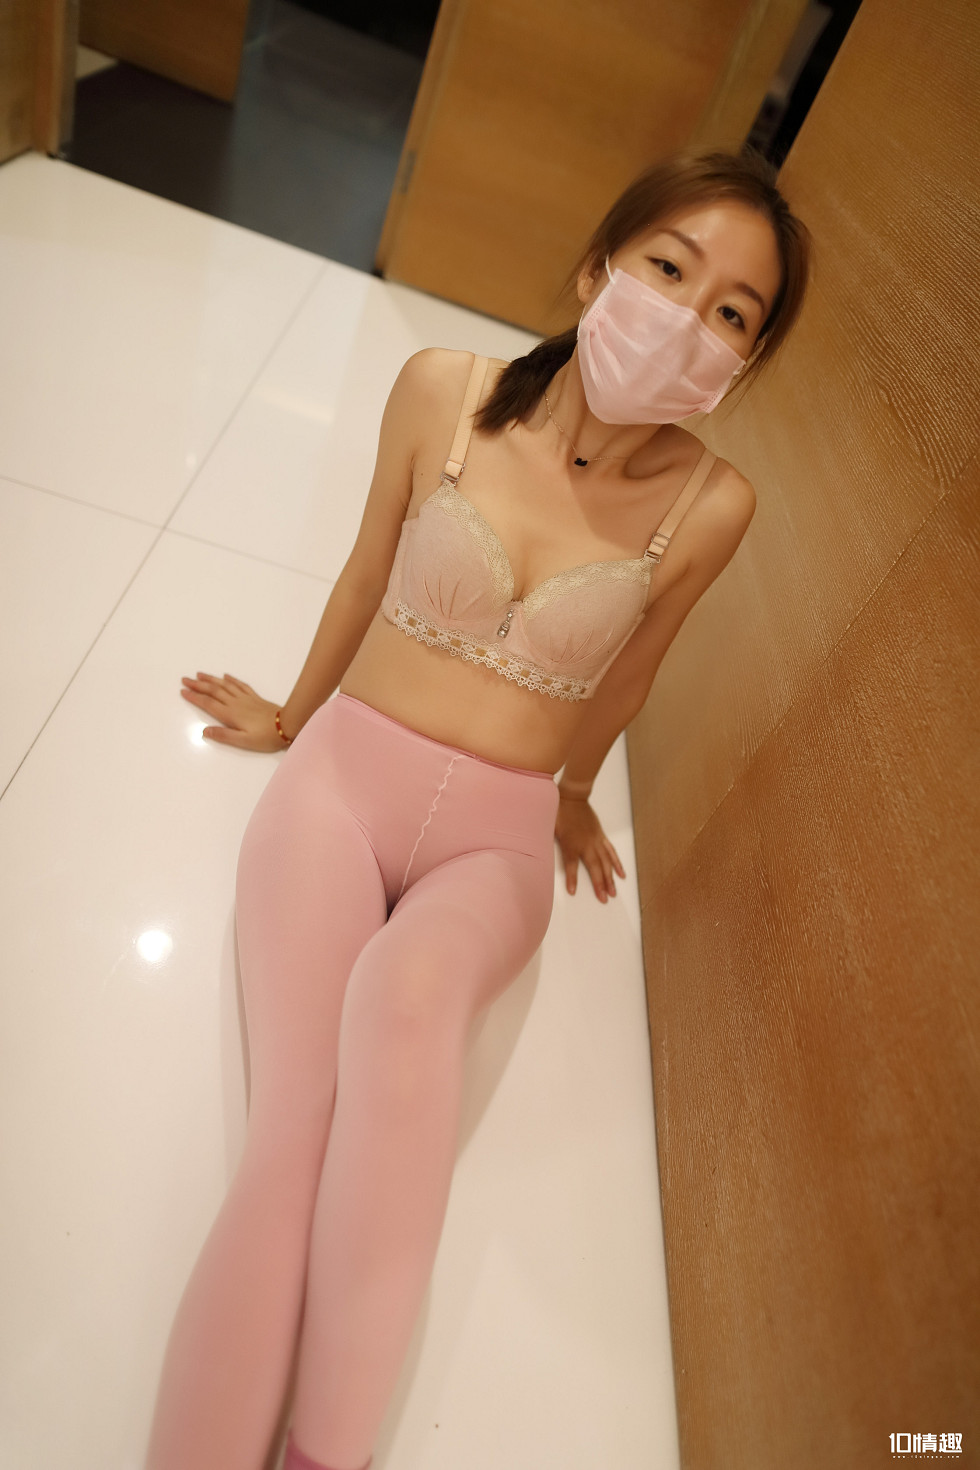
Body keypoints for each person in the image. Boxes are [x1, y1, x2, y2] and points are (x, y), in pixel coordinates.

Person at [146, 146, 812, 1470]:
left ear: (745, 360)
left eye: (732, 311)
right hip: (340, 789)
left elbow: (629, 674)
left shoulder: (712, 506)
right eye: (670, 267)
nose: (687, 318)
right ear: (599, 267)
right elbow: (362, 571)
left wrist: (572, 797)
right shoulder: (440, 391)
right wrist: (290, 713)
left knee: (406, 1018)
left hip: (495, 843)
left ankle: (324, 1456)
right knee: (295, 1122)